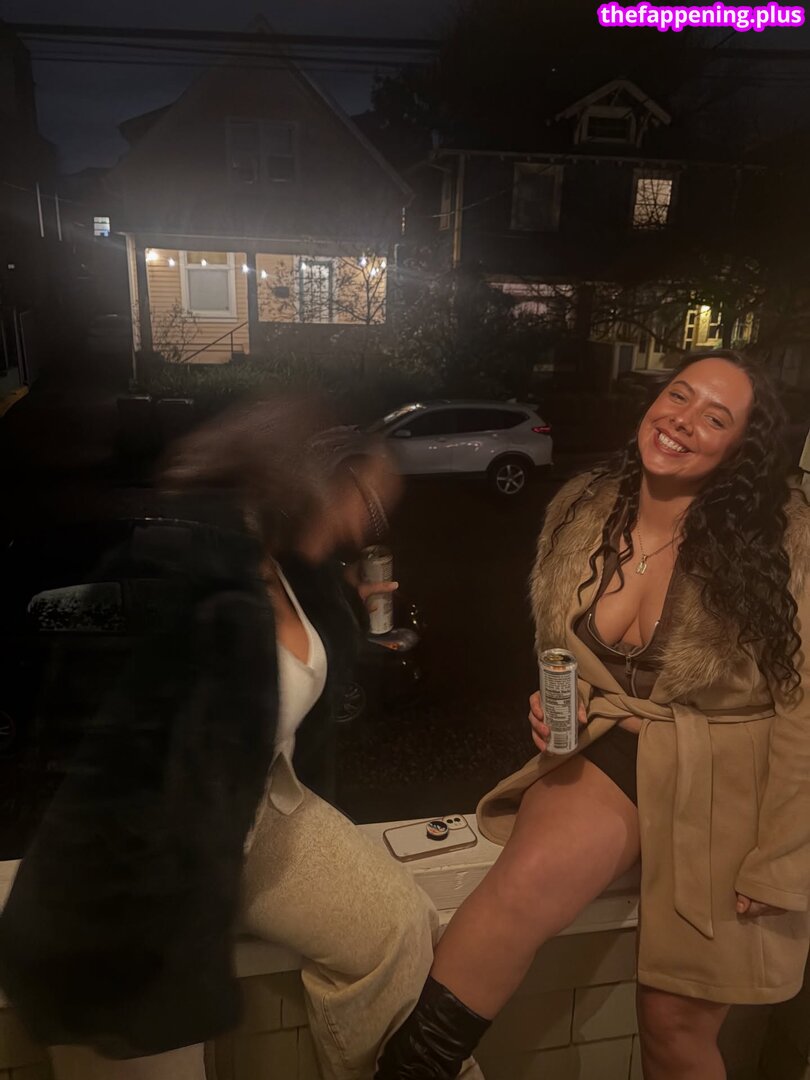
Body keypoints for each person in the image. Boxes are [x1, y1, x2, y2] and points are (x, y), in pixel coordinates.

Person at [376, 350, 810, 1080]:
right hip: (616, 750)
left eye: (715, 418)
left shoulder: (785, 539)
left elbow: (804, 709)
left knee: (672, 1025)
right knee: (513, 896)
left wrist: (784, 859)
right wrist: (566, 702)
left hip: (732, 778)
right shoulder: (585, 509)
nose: (683, 421)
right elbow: (566, 653)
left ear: (741, 448)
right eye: (679, 395)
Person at [0, 398, 438, 1080]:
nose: (364, 529)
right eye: (365, 503)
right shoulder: (187, 584)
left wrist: (353, 607)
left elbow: (305, 673)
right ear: (308, 475)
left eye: (379, 519)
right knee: (158, 1040)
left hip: (259, 812)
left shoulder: (290, 568)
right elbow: (94, 765)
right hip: (138, 879)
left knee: (401, 926)